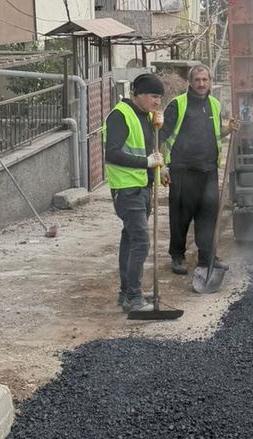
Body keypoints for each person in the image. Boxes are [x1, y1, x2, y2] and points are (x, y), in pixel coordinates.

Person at [160, 65, 238, 275]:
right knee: (180, 217)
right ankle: (177, 257)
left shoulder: (214, 104)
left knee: (208, 217)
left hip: (208, 170)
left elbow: (213, 134)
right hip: (183, 170)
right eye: (197, 80)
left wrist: (228, 130)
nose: (201, 84)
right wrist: (161, 166)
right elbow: (160, 135)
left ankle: (207, 257)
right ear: (190, 82)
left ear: (210, 82)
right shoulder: (178, 105)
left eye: (205, 80)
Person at [103, 73, 165, 313]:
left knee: (130, 240)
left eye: (159, 97)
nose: (157, 102)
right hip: (127, 190)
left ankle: (126, 292)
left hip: (141, 188)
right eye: (153, 96)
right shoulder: (120, 115)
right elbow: (112, 153)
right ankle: (133, 297)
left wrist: (161, 169)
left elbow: (151, 150)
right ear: (137, 94)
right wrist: (145, 162)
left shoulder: (146, 116)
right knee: (140, 241)